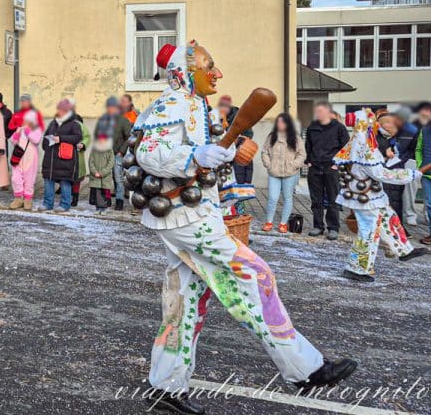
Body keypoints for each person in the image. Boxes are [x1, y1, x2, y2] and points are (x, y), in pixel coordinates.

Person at [135, 42, 355, 414]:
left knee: (185, 300)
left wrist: (230, 149)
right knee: (257, 275)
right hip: (185, 219)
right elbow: (148, 153)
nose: (217, 73)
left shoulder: (194, 105)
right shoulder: (173, 103)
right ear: (184, 72)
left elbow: (203, 150)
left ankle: (165, 388)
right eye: (210, 66)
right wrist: (194, 156)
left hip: (187, 215)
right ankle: (304, 368)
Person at [335, 109, 427, 282]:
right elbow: (382, 174)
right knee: (368, 231)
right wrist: (411, 175)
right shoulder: (364, 149)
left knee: (388, 218)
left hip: (373, 195)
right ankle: (356, 268)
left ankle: (404, 250)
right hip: (365, 199)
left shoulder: (363, 144)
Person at [305, 101, 350, 240]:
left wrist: (337, 164)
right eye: (317, 111)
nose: (319, 114)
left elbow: (347, 148)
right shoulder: (312, 127)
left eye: (322, 111)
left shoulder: (339, 128)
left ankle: (333, 228)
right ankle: (318, 226)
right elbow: (308, 146)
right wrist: (309, 162)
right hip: (315, 167)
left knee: (333, 199)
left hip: (331, 167)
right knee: (316, 199)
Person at [261, 113, 305, 233]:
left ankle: (283, 224)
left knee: (287, 198)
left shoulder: (295, 138)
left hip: (290, 174)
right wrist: (268, 165)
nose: (280, 124)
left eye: (282, 122)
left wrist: (294, 165)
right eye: (278, 122)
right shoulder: (271, 137)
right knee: (272, 198)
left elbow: (302, 154)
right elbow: (264, 152)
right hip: (274, 173)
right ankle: (269, 222)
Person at [38, 99, 83, 213]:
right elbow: (46, 136)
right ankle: (48, 203)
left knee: (65, 181)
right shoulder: (53, 123)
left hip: (65, 159)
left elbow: (77, 137)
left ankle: (65, 204)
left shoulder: (74, 124)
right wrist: (46, 145)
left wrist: (61, 139)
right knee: (48, 180)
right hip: (50, 158)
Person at [98, 96, 132, 211]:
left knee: (118, 178)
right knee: (109, 178)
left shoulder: (123, 121)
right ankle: (107, 200)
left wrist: (121, 152)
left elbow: (129, 138)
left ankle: (119, 201)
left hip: (118, 154)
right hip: (106, 154)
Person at [9, 110, 43, 210]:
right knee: (16, 178)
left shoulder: (37, 129)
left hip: (31, 158)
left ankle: (28, 199)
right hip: (18, 157)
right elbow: (13, 141)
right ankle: (18, 199)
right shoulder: (20, 128)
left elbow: (36, 140)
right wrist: (17, 133)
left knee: (29, 178)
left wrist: (28, 131)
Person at [393, 106, 420, 227]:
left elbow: (412, 149)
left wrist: (402, 160)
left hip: (408, 161)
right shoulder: (391, 128)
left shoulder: (413, 130)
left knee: (410, 190)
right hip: (391, 162)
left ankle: (410, 215)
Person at [88, 127, 114, 215]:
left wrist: (102, 172)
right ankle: (97, 207)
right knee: (96, 192)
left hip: (105, 176)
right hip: (95, 175)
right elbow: (90, 162)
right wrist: (94, 172)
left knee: (104, 192)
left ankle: (104, 208)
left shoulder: (109, 150)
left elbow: (111, 163)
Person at [415, 102, 431, 244]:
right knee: (430, 205)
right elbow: (419, 149)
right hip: (426, 175)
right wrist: (421, 165)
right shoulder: (424, 130)